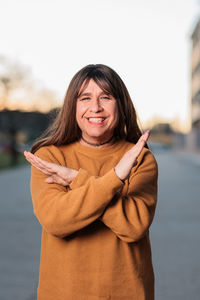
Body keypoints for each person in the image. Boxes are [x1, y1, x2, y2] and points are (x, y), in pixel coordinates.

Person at [24, 64, 158, 300]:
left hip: (128, 293)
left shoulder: (139, 158)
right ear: (72, 106)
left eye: (105, 97)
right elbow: (57, 220)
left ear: (120, 104)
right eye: (85, 98)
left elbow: (134, 226)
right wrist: (116, 178)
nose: (95, 107)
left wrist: (74, 179)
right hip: (63, 293)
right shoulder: (49, 157)